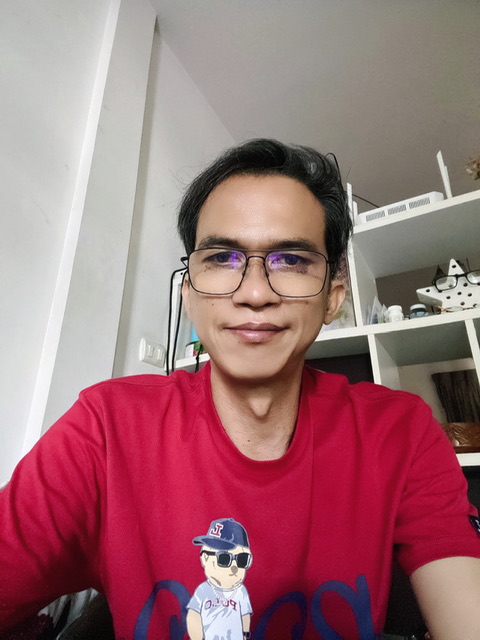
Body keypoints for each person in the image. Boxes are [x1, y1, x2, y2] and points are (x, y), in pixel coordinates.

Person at [1, 138, 480, 640]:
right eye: (222, 257)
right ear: (189, 293)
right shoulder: (106, 428)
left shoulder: (400, 431)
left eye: (291, 260)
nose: (254, 293)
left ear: (332, 297)